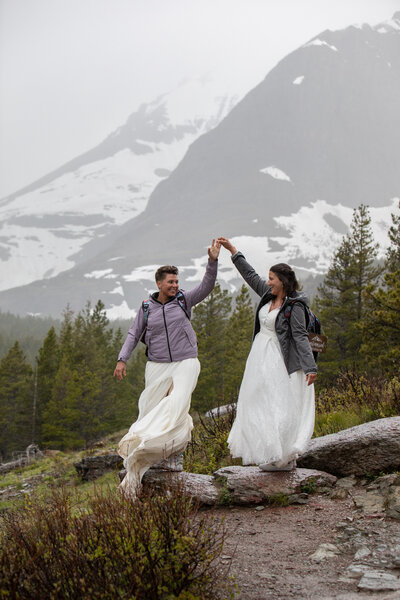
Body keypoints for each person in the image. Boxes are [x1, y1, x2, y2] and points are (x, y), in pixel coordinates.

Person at [114, 240, 220, 496]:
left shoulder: (184, 300)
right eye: (170, 282)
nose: (175, 285)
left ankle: (174, 458)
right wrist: (122, 359)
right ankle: (152, 455)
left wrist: (213, 262)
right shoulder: (147, 308)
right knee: (150, 411)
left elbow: (206, 287)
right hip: (157, 365)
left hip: (185, 361)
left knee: (176, 406)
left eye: (177, 281)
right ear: (159, 283)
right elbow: (133, 333)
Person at [217, 237, 317, 471]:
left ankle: (283, 456)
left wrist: (311, 367)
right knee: (254, 402)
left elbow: (301, 337)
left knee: (277, 404)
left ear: (282, 281)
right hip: (258, 357)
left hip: (279, 361)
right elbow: (250, 275)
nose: (268, 282)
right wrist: (233, 251)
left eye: (271, 278)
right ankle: (268, 451)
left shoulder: (295, 306)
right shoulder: (267, 295)